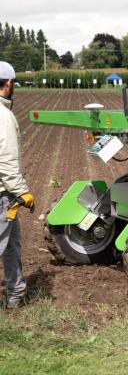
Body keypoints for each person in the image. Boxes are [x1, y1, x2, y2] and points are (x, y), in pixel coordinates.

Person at [0, 61, 35, 308]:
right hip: (4, 196)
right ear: (9, 83)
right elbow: (6, 160)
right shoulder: (3, 116)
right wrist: (22, 191)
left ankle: (15, 295)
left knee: (12, 246)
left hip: (5, 197)